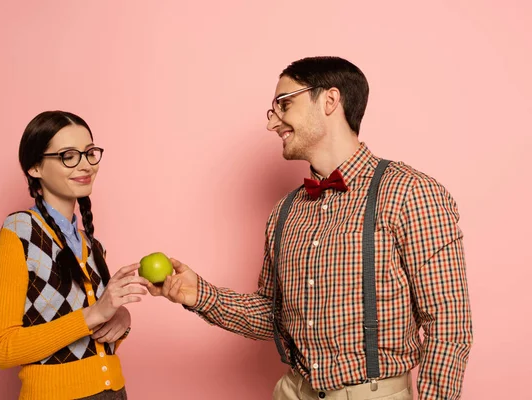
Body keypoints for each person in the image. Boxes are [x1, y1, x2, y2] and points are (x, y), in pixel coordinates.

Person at [147, 57, 473, 400]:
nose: (273, 122)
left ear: (330, 101)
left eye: (284, 104)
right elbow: (273, 315)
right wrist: (199, 295)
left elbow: (448, 324)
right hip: (294, 392)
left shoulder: (409, 192)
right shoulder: (285, 212)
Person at [0, 111, 148, 399]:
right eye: (68, 156)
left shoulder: (90, 245)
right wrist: (93, 314)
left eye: (89, 153)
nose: (85, 165)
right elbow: (3, 347)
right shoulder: (20, 231)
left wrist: (121, 318)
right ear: (35, 167)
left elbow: (92, 340)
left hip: (113, 391)